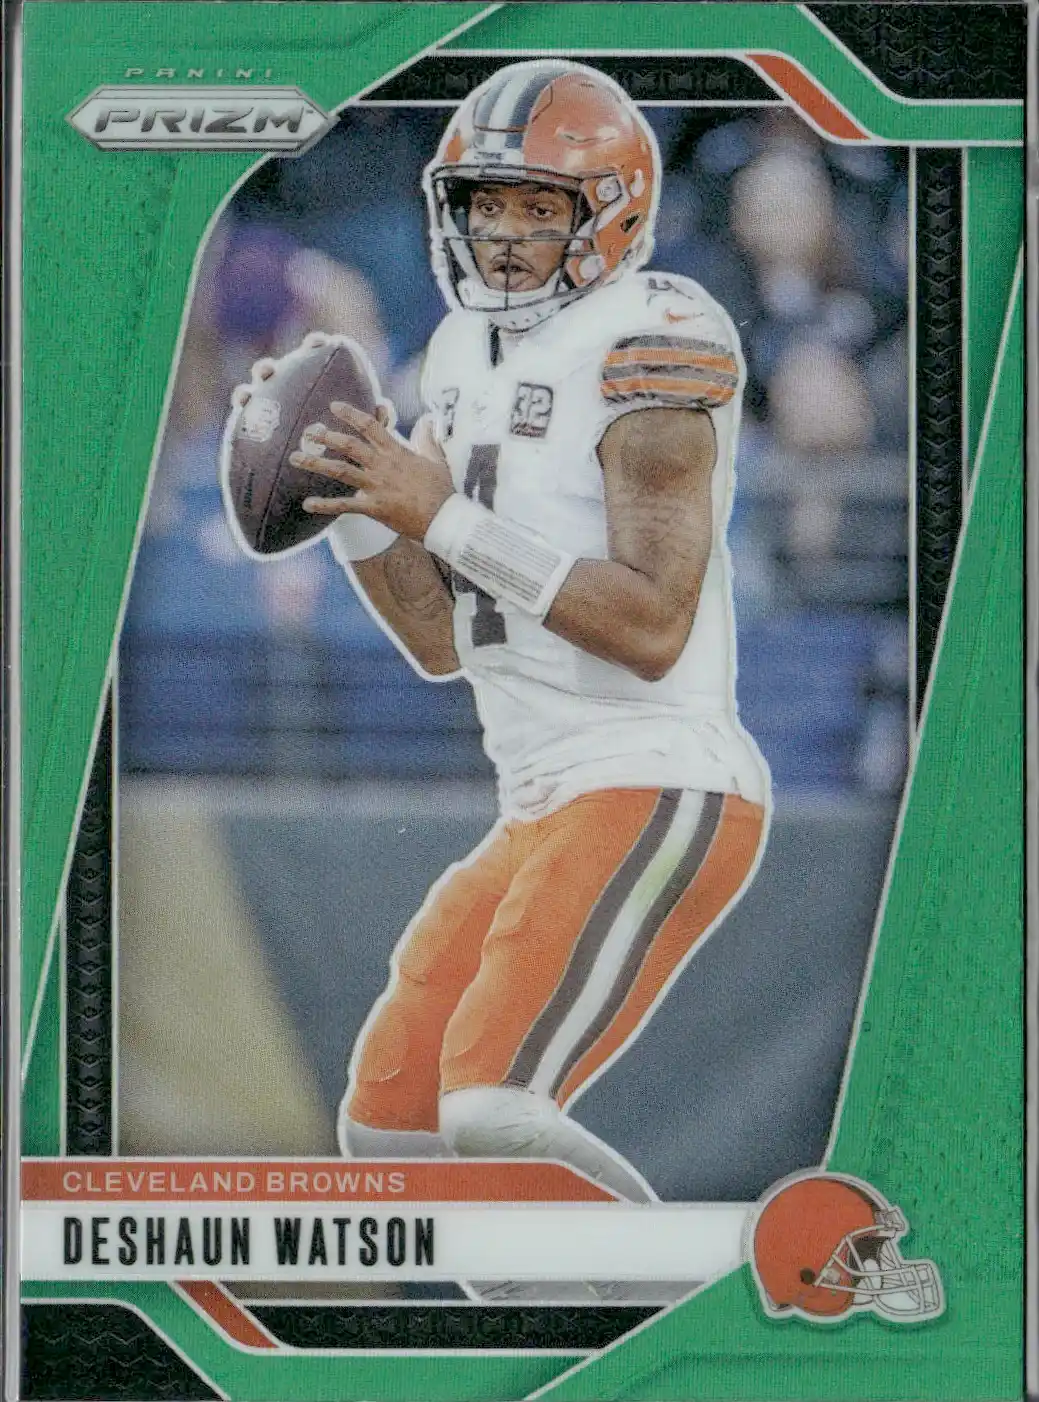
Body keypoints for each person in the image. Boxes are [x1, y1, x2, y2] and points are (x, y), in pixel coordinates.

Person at [288, 61, 772, 1221]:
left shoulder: (653, 333)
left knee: (491, 1110)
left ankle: (688, 1309)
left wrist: (440, 512)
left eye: (537, 207)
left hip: (657, 776)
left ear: (608, 213)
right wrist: (349, 506)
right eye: (484, 205)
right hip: (539, 800)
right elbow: (437, 639)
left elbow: (651, 626)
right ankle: (538, 1317)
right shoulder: (457, 354)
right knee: (390, 1127)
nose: (503, 235)